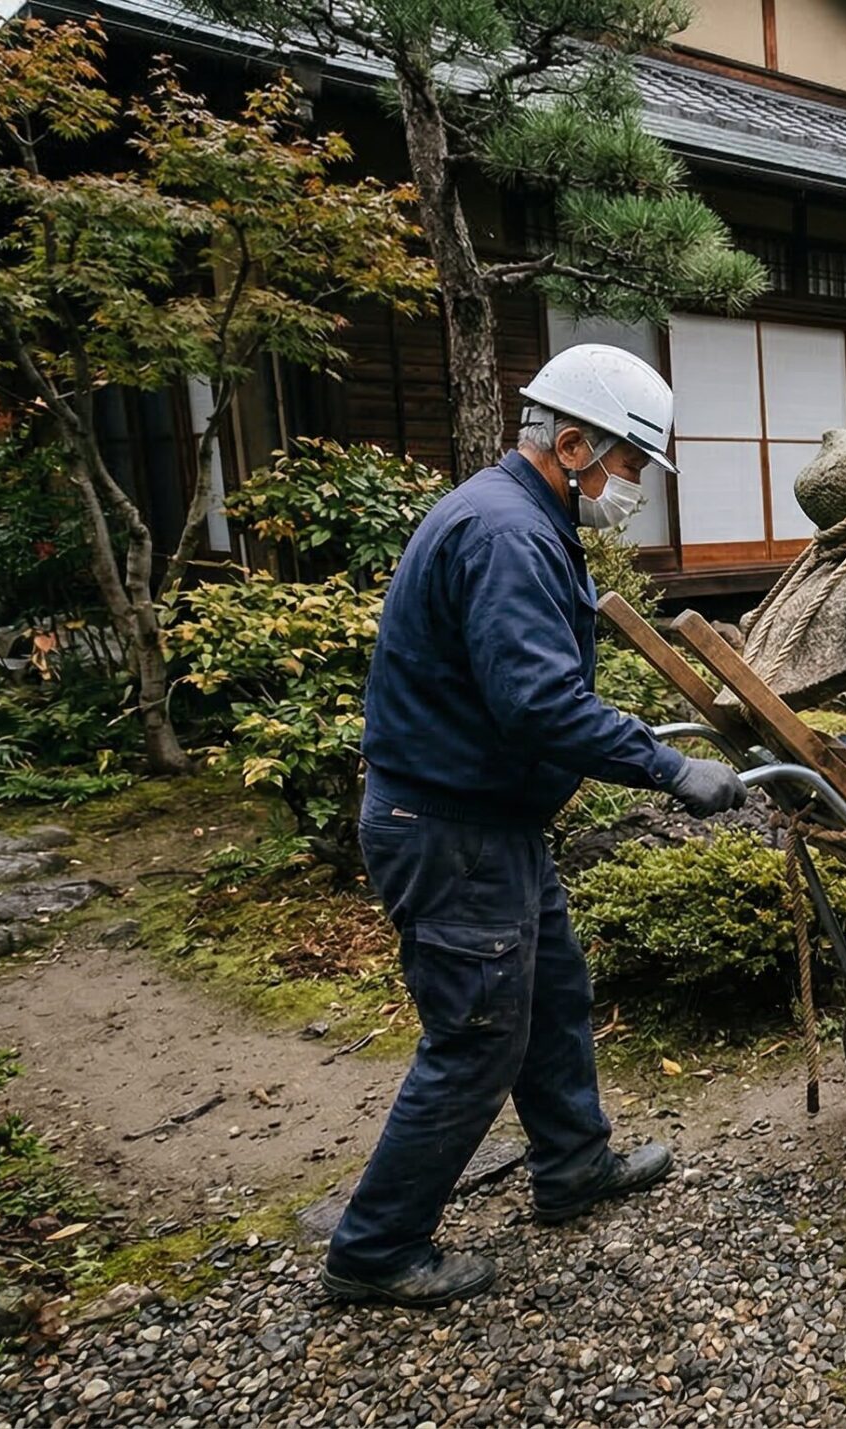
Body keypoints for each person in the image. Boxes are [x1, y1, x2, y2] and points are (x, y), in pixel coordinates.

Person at [322, 344, 748, 1307]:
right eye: (630, 467)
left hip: (484, 820)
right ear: (571, 444)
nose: (631, 489)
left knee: (553, 990)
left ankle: (570, 1164)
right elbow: (539, 704)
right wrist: (669, 767)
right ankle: (376, 1246)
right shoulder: (507, 533)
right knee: (476, 1034)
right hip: (447, 825)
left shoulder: (521, 514)